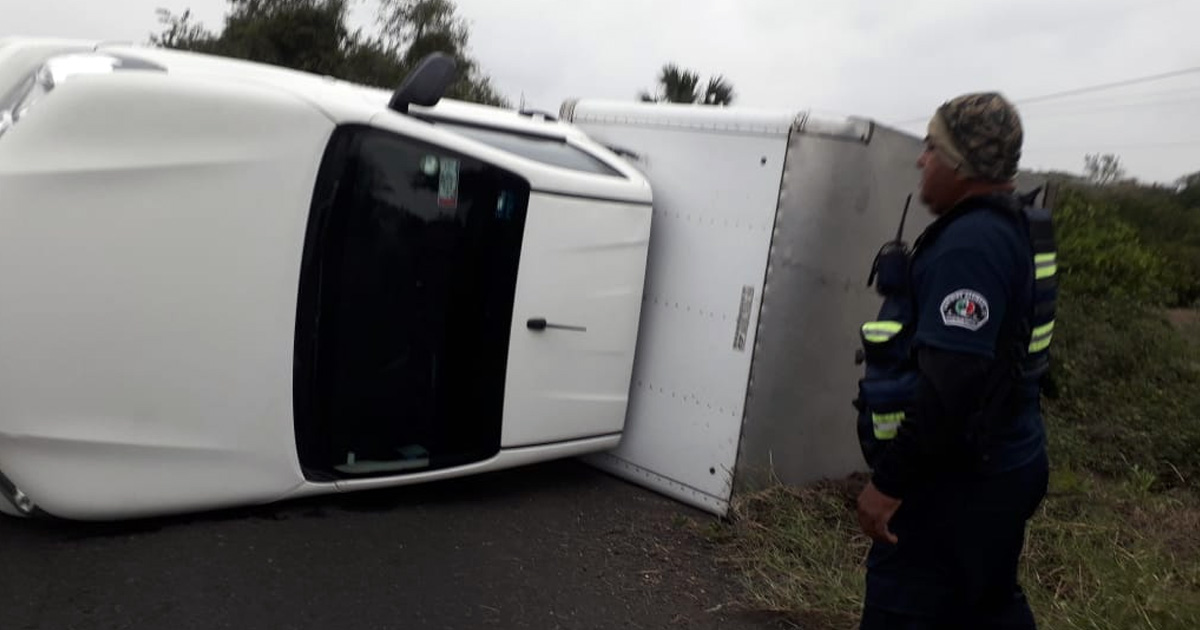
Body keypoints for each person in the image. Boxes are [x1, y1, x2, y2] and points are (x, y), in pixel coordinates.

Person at [852, 92, 1058, 629]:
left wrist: (889, 483)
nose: (922, 159)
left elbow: (951, 385)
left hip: (961, 481)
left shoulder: (972, 244)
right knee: (984, 604)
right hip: (1006, 457)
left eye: (931, 147)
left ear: (962, 163)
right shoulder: (1011, 225)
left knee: (904, 606)